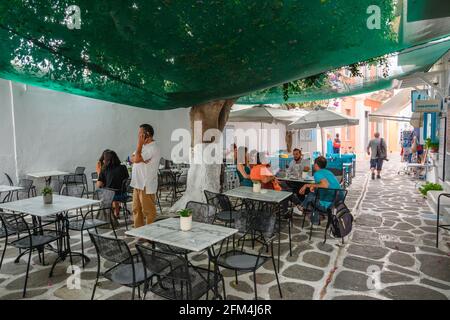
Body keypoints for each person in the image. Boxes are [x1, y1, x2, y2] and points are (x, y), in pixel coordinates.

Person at [130, 124, 161, 229]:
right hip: (137, 183)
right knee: (136, 209)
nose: (138, 136)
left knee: (148, 211)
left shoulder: (153, 147)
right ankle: (139, 231)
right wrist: (138, 156)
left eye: (140, 134)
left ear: (147, 134)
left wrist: (139, 147)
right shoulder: (143, 146)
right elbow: (132, 159)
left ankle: (149, 233)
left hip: (146, 184)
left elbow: (137, 158)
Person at [299, 156, 342, 223]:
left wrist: (307, 185)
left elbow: (325, 185)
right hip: (338, 202)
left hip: (329, 205)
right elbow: (326, 186)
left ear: (316, 165)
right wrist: (313, 186)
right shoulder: (328, 172)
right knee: (313, 193)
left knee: (311, 196)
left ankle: (303, 209)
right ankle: (304, 208)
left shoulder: (317, 173)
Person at [96, 150, 129, 218]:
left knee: (107, 192)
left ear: (106, 159)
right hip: (123, 195)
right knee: (114, 190)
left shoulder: (105, 169)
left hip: (111, 196)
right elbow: (127, 178)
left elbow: (99, 185)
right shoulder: (123, 167)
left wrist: (99, 172)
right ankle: (116, 213)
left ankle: (109, 215)